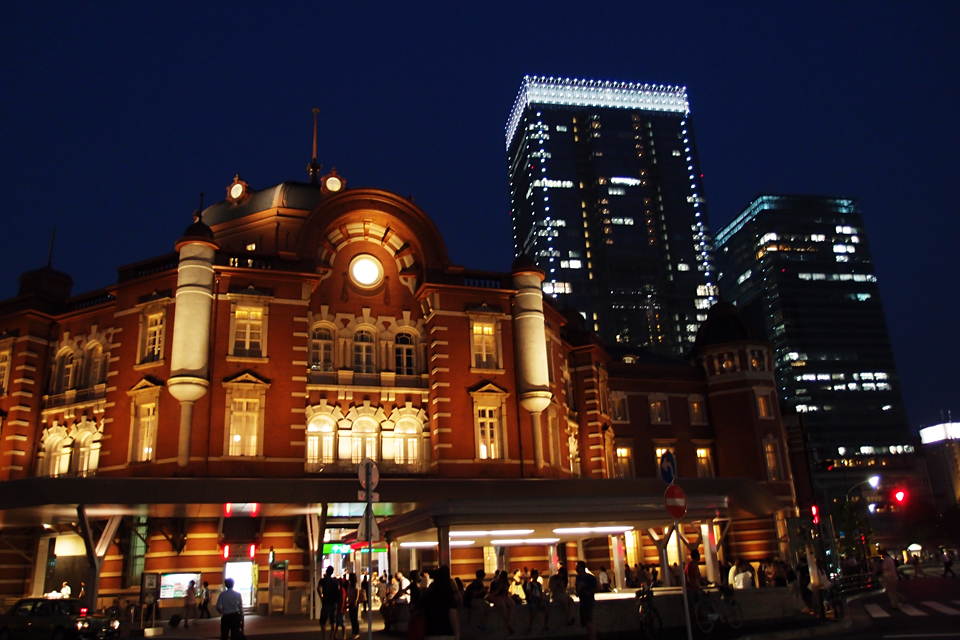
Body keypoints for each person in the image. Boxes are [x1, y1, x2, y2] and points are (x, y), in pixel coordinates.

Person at [422, 566, 459, 640]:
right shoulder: (448, 593)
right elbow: (452, 615)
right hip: (446, 632)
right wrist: (457, 634)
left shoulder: (430, 593)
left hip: (430, 632)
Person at [574, 561, 598, 640]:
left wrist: (588, 592)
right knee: (584, 622)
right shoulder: (578, 578)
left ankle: (592, 637)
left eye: (577, 566)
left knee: (588, 620)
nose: (575, 568)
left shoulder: (590, 577)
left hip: (589, 601)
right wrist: (578, 591)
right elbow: (576, 589)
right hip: (582, 602)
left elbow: (596, 588)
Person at [317, 566, 342, 640]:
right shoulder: (335, 581)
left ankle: (324, 637)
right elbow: (338, 589)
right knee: (333, 620)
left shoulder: (322, 580)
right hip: (333, 602)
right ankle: (331, 637)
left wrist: (321, 596)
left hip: (325, 601)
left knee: (323, 621)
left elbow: (318, 588)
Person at [346, 573, 361, 640]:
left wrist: (355, 601)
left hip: (354, 603)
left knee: (355, 618)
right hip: (350, 603)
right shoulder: (349, 585)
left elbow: (357, 594)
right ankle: (353, 633)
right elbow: (348, 594)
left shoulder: (356, 585)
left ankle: (357, 633)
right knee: (352, 618)